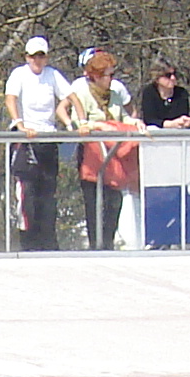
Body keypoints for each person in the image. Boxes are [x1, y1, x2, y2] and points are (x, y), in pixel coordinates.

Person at [61, 50, 134, 250]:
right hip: (91, 155)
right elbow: (79, 122)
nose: (111, 79)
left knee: (114, 200)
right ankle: (95, 245)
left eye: (112, 74)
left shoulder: (114, 94)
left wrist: (134, 122)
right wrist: (99, 126)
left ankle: (108, 243)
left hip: (113, 156)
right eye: (108, 75)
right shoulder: (82, 93)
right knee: (93, 201)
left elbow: (123, 116)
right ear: (96, 75)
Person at [2, 36, 71, 248]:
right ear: (26, 57)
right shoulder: (19, 74)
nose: (37, 61)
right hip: (25, 142)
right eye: (33, 56)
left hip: (47, 140)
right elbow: (10, 98)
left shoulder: (53, 75)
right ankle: (28, 244)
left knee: (48, 195)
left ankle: (48, 243)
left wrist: (73, 121)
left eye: (41, 56)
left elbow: (70, 95)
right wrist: (19, 123)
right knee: (27, 195)